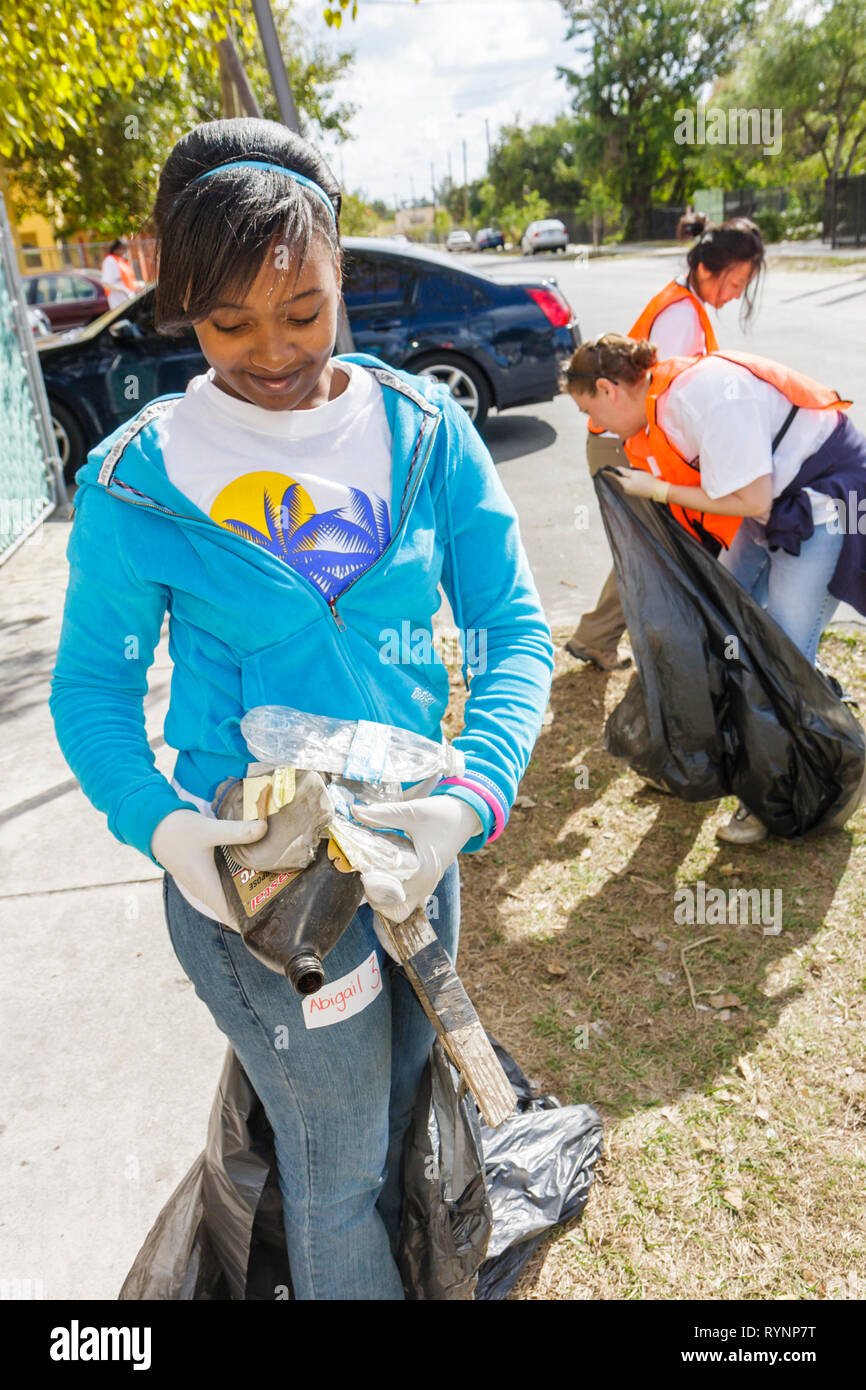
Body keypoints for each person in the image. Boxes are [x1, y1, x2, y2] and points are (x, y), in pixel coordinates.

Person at [49, 118, 554, 1300]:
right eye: (228, 323)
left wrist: (467, 797)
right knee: (333, 1168)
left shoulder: (427, 437)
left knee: (398, 1107)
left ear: (340, 274)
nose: (271, 353)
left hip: (418, 856)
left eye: (304, 310)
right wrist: (169, 831)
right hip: (263, 892)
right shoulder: (141, 484)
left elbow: (512, 633)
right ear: (183, 308)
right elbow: (94, 690)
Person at [563, 333, 864, 844]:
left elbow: (750, 498)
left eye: (591, 411)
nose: (598, 428)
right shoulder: (658, 404)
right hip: (772, 499)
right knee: (713, 620)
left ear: (611, 390)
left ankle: (782, 791)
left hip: (818, 505)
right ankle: (707, 758)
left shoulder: (703, 397)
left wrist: (655, 490)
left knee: (783, 651)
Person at [566, 213, 765, 671]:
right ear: (707, 270)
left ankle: (600, 638)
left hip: (629, 439)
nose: (734, 296)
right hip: (627, 443)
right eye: (734, 284)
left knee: (651, 545)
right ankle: (619, 642)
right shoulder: (679, 314)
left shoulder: (684, 303)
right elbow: (664, 404)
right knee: (651, 546)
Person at [100, 236, 141, 308]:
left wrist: (136, 286)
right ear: (115, 249)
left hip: (129, 297)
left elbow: (127, 280)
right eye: (122, 249)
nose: (124, 252)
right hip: (119, 300)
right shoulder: (110, 261)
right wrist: (124, 290)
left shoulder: (121, 261)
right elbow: (106, 283)